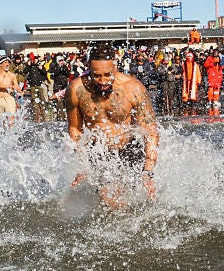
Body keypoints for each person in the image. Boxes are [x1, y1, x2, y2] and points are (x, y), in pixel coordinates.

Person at [66, 43, 159, 206]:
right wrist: (83, 165)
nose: (102, 81)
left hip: (130, 149)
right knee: (109, 200)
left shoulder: (133, 88)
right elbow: (75, 129)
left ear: (115, 65)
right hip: (99, 153)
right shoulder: (76, 90)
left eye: (108, 74)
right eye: (97, 75)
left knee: (137, 201)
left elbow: (150, 129)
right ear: (88, 67)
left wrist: (148, 171)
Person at [0, 56, 21, 125]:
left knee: (11, 118)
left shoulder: (12, 75)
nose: (7, 64)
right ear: (0, 64)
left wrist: (20, 90)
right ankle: (4, 134)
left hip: (9, 98)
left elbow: (16, 86)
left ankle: (11, 134)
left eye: (8, 63)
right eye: (5, 62)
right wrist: (11, 86)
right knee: (2, 121)